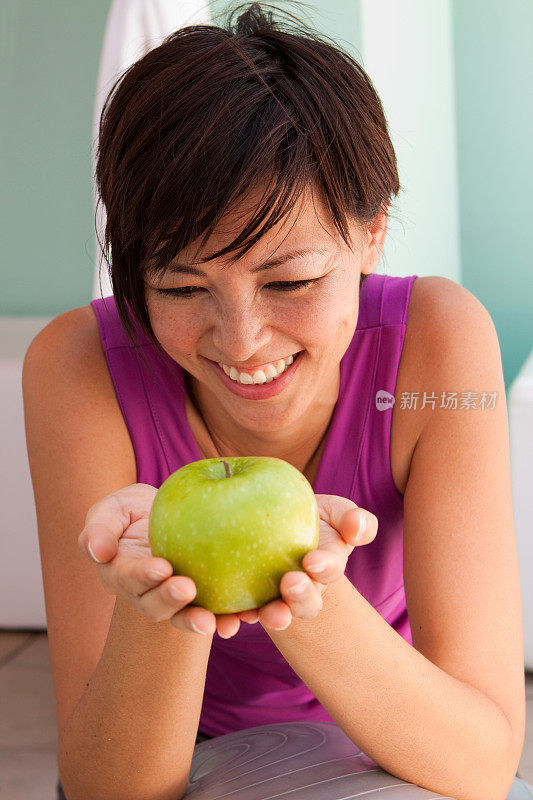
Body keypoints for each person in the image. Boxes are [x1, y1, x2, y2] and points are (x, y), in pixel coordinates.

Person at [22, 3, 527, 799]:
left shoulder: (438, 340)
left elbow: (476, 761)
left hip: (395, 741)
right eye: (181, 286)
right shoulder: (76, 365)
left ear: (371, 231)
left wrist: (303, 586)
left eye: (289, 282)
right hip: (184, 754)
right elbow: (105, 787)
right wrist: (163, 591)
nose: (243, 341)